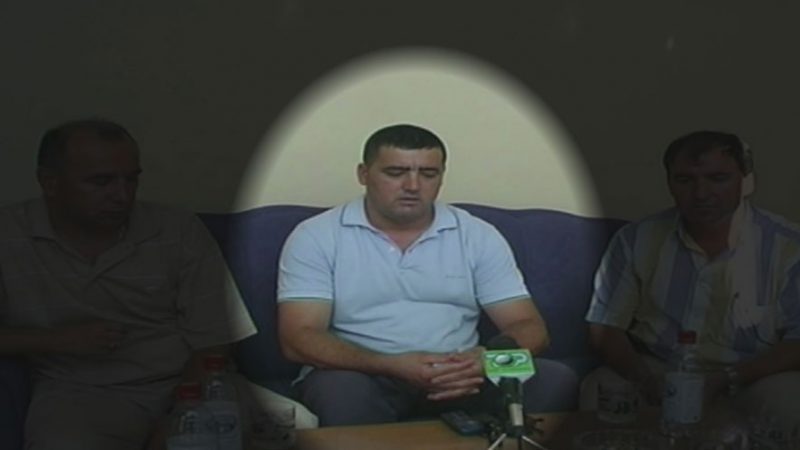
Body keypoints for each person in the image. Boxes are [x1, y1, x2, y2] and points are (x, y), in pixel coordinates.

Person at [277, 123, 579, 426]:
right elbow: (298, 337)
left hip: (463, 374)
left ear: (442, 177)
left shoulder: (477, 235)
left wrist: (486, 361)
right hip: (366, 374)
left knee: (554, 378)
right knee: (339, 390)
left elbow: (529, 327)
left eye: (428, 174)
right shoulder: (317, 236)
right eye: (395, 173)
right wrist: (389, 365)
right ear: (363, 174)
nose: (413, 186)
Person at [0, 119, 260, 450]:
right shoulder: (9, 235)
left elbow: (215, 343)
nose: (121, 195)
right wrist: (56, 339)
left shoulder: (178, 231)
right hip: (78, 393)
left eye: (131, 179)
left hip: (190, 383)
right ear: (50, 182)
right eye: (101, 181)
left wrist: (182, 415)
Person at [583, 130, 800, 421]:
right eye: (685, 180)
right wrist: (645, 380)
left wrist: (726, 379)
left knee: (790, 403)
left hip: (755, 374)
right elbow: (604, 328)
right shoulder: (636, 240)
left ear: (745, 180)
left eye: (718, 178)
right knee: (600, 387)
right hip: (659, 368)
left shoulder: (789, 246)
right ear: (669, 183)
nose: (701, 193)